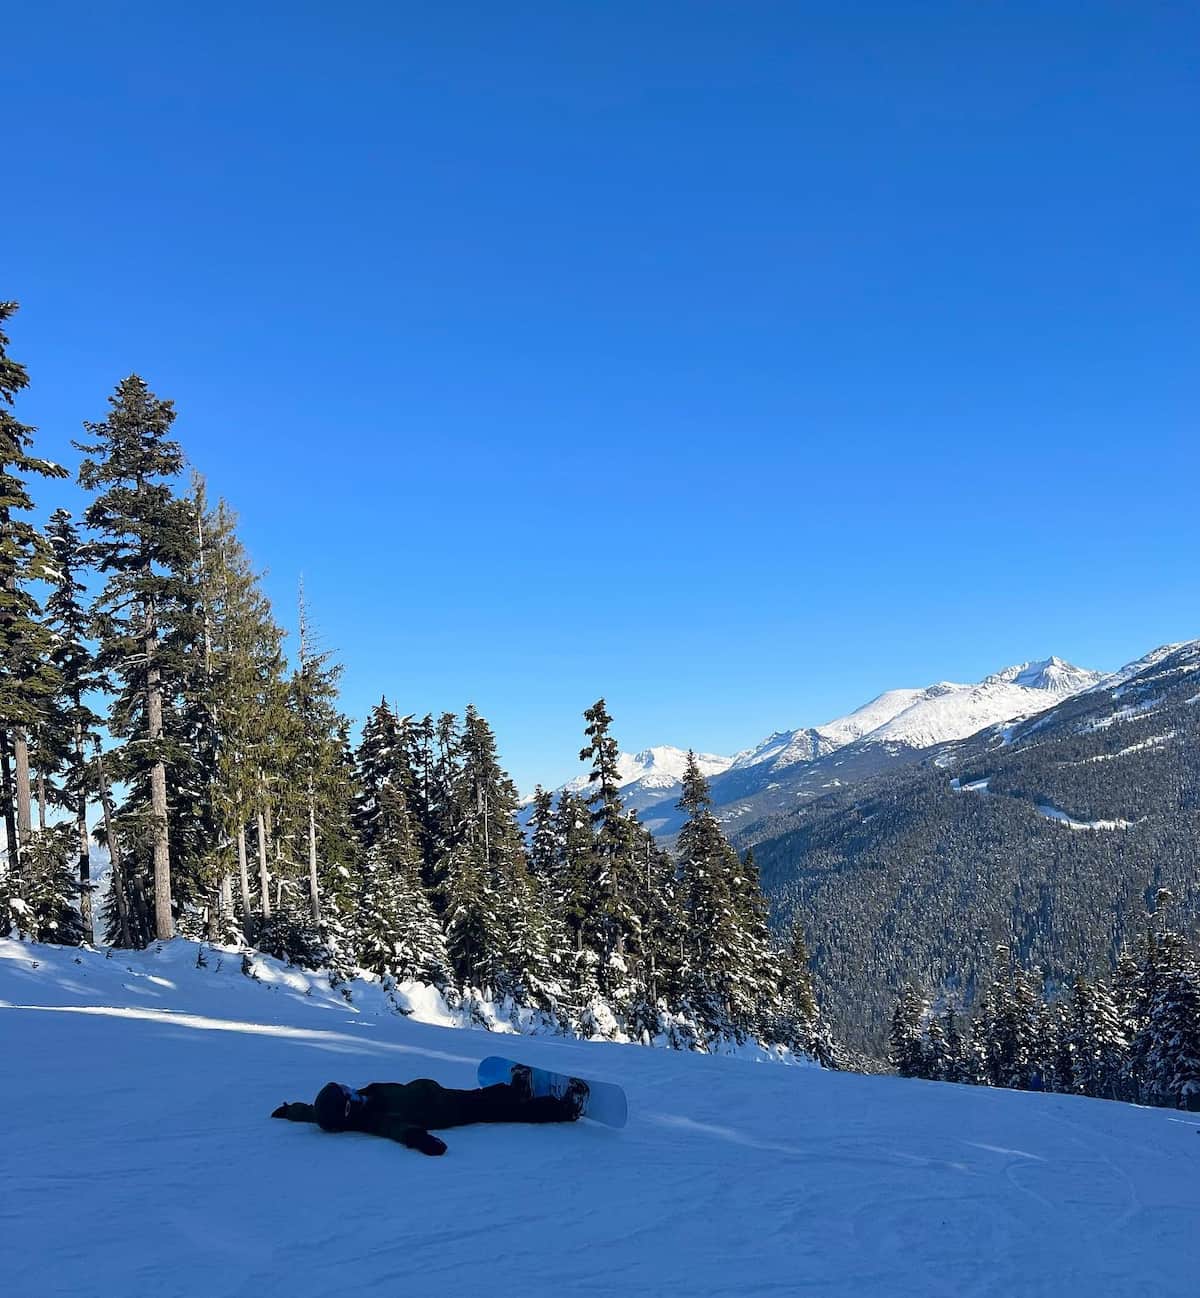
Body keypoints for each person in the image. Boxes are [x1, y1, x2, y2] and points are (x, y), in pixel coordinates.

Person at [270, 1068, 587, 1156]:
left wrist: (290, 1111)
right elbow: (395, 1130)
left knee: (483, 1098)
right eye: (348, 1093)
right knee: (497, 1111)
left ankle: (516, 1092)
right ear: (348, 1108)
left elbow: (312, 1113)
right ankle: (560, 1109)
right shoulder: (371, 1117)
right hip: (447, 1112)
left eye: (345, 1087)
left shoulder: (353, 1104)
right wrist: (421, 1140)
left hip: (438, 1095)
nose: (352, 1089)